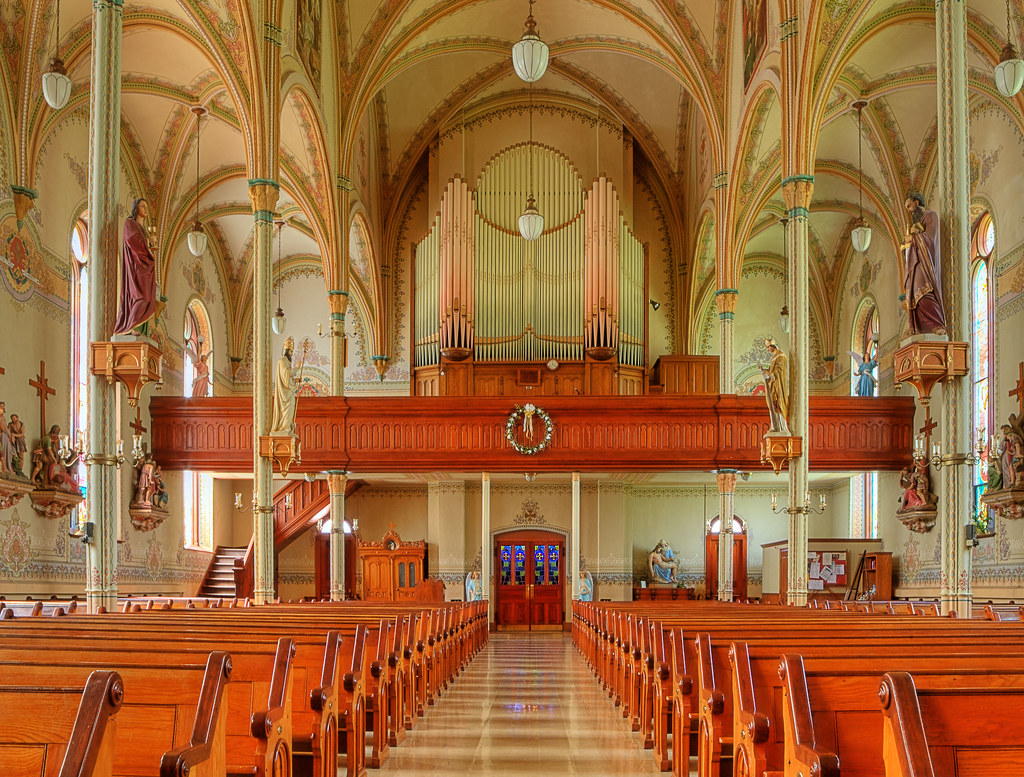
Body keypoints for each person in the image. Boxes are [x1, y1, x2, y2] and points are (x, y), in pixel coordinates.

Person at [900, 193, 946, 336]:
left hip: (926, 263)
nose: (909, 210)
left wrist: (914, 237)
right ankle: (919, 328)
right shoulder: (916, 224)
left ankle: (936, 324)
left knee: (925, 291)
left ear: (916, 202)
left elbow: (930, 239)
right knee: (914, 294)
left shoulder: (931, 216)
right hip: (915, 263)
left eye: (909, 206)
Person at [114, 198, 159, 335]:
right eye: (142, 206)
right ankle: (130, 327)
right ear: (136, 208)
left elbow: (146, 249)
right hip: (136, 267)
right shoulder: (129, 223)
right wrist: (147, 241)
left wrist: (150, 244)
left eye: (146, 206)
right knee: (141, 298)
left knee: (146, 298)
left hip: (145, 267)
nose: (145, 209)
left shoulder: (143, 229)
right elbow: (133, 241)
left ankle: (138, 328)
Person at [760, 338, 790, 434]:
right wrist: (765, 371)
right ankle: (775, 425)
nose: (768, 349)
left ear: (772, 346)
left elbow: (779, 371)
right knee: (772, 404)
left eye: (768, 347)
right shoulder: (774, 357)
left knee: (778, 403)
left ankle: (781, 426)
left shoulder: (781, 355)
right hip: (772, 385)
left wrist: (771, 374)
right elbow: (771, 371)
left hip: (778, 386)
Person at [270, 337, 299, 435]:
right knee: (287, 408)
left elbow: (288, 378)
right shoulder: (282, 361)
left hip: (288, 392)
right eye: (291, 351)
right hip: (284, 394)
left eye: (292, 351)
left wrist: (295, 380)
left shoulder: (287, 362)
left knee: (290, 408)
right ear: (287, 351)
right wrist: (297, 368)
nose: (292, 353)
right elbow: (286, 374)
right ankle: (284, 426)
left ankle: (287, 426)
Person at [999, 424, 1023, 489]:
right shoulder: (1010, 438)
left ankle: (1012, 482)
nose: (1004, 436)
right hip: (1015, 456)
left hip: (1018, 456)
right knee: (1009, 466)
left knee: (1010, 466)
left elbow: (1017, 445)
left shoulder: (1013, 437)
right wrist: (1011, 452)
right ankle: (1011, 482)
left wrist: (1019, 454)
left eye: (1004, 433)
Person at [0, 402, 15, 476]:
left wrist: (10, 435)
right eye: (2, 407)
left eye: (3, 407)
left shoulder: (3, 417)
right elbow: (3, 429)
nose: (3, 408)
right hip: (3, 436)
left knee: (7, 452)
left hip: (6, 436)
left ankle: (7, 467)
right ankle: (4, 468)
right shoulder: (0, 417)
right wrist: (8, 433)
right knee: (4, 451)